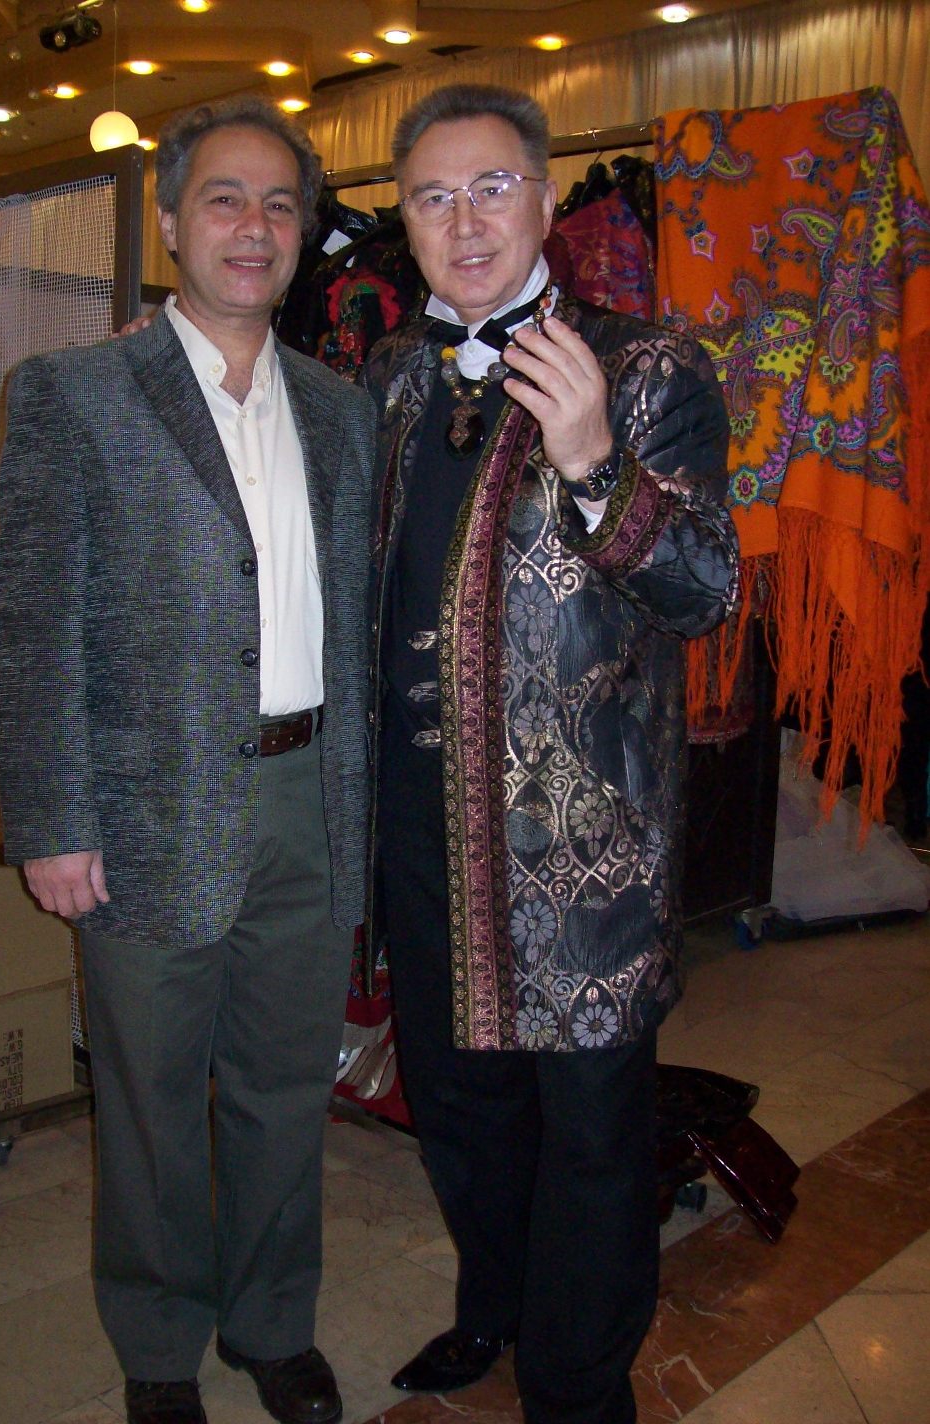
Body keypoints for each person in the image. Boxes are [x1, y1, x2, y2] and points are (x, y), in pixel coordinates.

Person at [0, 97, 374, 1424]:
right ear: (168, 224)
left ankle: (273, 1325)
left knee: (284, 1091)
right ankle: (158, 1350)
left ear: (304, 231)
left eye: (279, 204)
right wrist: (51, 819)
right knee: (151, 1103)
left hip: (309, 799)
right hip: (144, 811)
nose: (253, 227)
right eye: (224, 198)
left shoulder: (342, 410)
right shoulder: (74, 393)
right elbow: (31, 622)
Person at [360, 84, 739, 1424]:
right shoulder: (392, 377)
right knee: (459, 1107)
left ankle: (578, 1389)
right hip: (418, 823)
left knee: (588, 1134)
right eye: (433, 196)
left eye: (492, 189)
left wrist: (594, 468)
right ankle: (496, 1310)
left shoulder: (648, 368)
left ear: (541, 198)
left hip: (580, 844)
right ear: (404, 219)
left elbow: (706, 592)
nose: (465, 222)